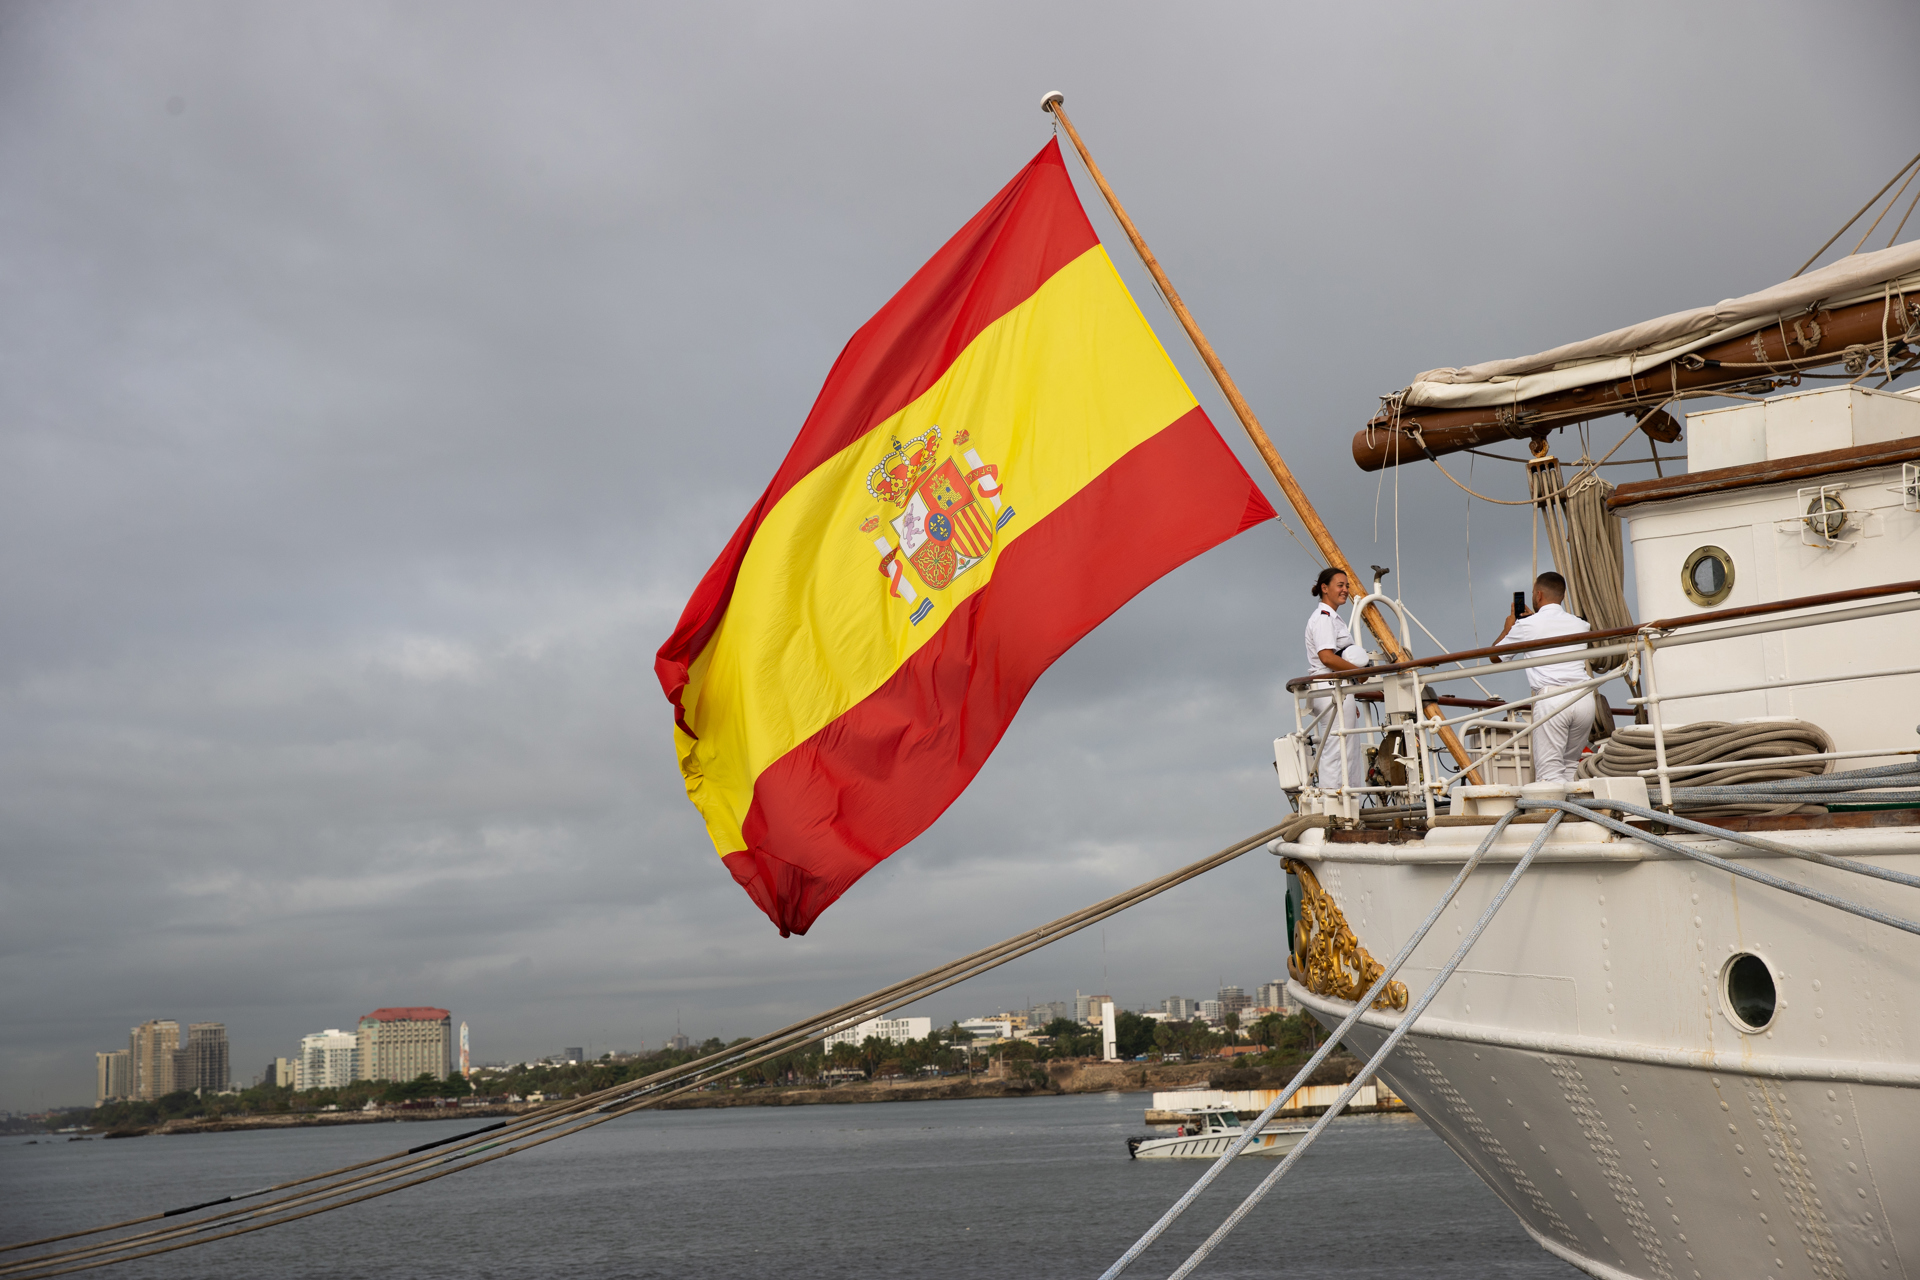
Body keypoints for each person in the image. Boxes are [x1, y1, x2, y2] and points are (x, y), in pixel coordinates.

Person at [1491, 571, 1595, 784]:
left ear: (1538, 595)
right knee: (1569, 766)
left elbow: (1496, 657)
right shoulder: (1580, 624)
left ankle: (1558, 815)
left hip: (1552, 700)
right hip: (1584, 699)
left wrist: (1508, 628)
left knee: (1549, 771)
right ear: (1562, 596)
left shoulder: (1526, 626)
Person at [1304, 567, 1369, 791]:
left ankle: (1350, 801)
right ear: (1325, 588)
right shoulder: (1323, 619)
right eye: (1340, 585)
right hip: (1329, 687)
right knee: (1336, 747)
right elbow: (1327, 657)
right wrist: (1358, 673)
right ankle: (1334, 804)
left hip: (1339, 688)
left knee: (1349, 747)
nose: (1345, 590)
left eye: (1347, 586)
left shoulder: (1333, 618)